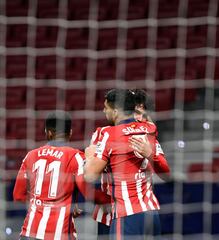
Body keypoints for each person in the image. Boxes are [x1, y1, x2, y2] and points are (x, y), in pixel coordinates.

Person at [13, 111, 110, 240]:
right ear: (70, 132)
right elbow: (88, 193)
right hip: (60, 235)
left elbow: (18, 196)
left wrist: (39, 204)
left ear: (47, 132)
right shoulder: (75, 156)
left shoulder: (30, 155)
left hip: (30, 233)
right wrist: (113, 199)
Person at [84, 89, 165, 239]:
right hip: (108, 211)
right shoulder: (102, 133)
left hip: (129, 209)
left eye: (143, 114)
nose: (140, 117)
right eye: (137, 112)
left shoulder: (147, 133)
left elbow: (89, 173)